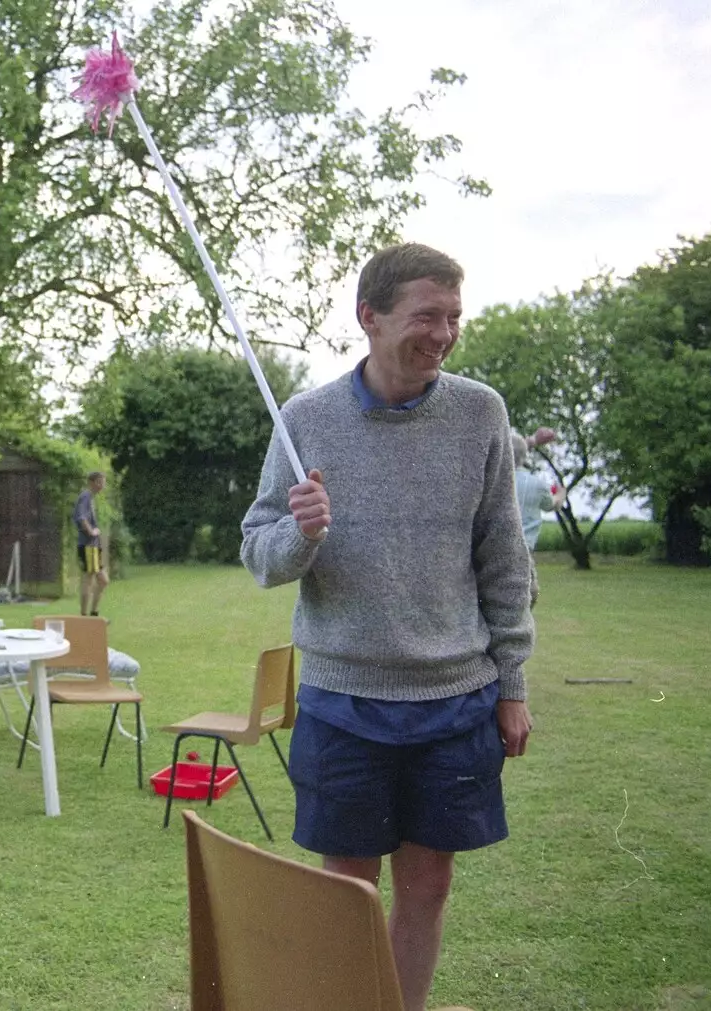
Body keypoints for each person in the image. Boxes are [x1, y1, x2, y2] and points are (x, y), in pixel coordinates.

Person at [240, 243, 534, 1011]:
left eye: (454, 318)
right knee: (347, 889)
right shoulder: (305, 420)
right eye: (426, 316)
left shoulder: (481, 413)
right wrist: (300, 533)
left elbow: (504, 558)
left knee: (429, 882)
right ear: (369, 317)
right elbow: (260, 554)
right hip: (345, 699)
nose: (442, 334)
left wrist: (514, 686)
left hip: (456, 697)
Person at [513, 429, 567, 606]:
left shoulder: (490, 478)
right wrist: (560, 493)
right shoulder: (536, 484)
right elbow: (553, 504)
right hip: (522, 551)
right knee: (529, 596)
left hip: (487, 550)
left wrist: (531, 441)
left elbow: (505, 449)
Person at [73, 471, 109, 616]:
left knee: (103, 581)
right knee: (89, 578)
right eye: (100, 482)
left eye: (104, 482)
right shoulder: (86, 496)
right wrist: (91, 531)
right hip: (88, 545)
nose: (102, 485)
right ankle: (84, 615)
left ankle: (93, 612)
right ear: (92, 482)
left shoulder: (90, 498)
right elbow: (81, 518)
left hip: (93, 547)